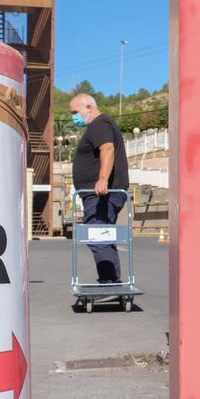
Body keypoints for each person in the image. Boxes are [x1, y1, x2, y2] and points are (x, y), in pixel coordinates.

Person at [70, 94, 130, 283]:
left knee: (96, 234)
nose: (73, 117)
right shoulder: (99, 125)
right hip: (98, 194)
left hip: (101, 194)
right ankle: (111, 280)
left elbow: (107, 149)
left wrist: (102, 178)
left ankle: (109, 281)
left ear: (88, 107)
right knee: (103, 235)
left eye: (75, 112)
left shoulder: (100, 124)